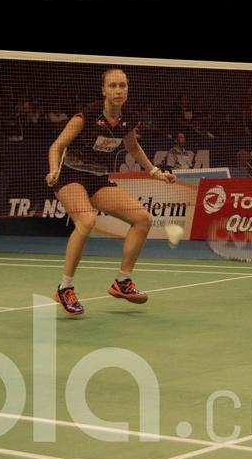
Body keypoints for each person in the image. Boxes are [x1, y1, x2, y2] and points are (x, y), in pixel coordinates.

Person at [45, 68, 175, 317]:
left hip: (97, 179)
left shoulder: (128, 117)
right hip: (69, 176)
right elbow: (57, 146)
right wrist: (53, 171)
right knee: (87, 220)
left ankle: (123, 282)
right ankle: (65, 287)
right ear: (103, 89)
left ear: (127, 89)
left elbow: (133, 148)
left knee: (142, 219)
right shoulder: (88, 115)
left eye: (122, 86)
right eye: (113, 86)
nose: (118, 90)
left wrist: (156, 172)